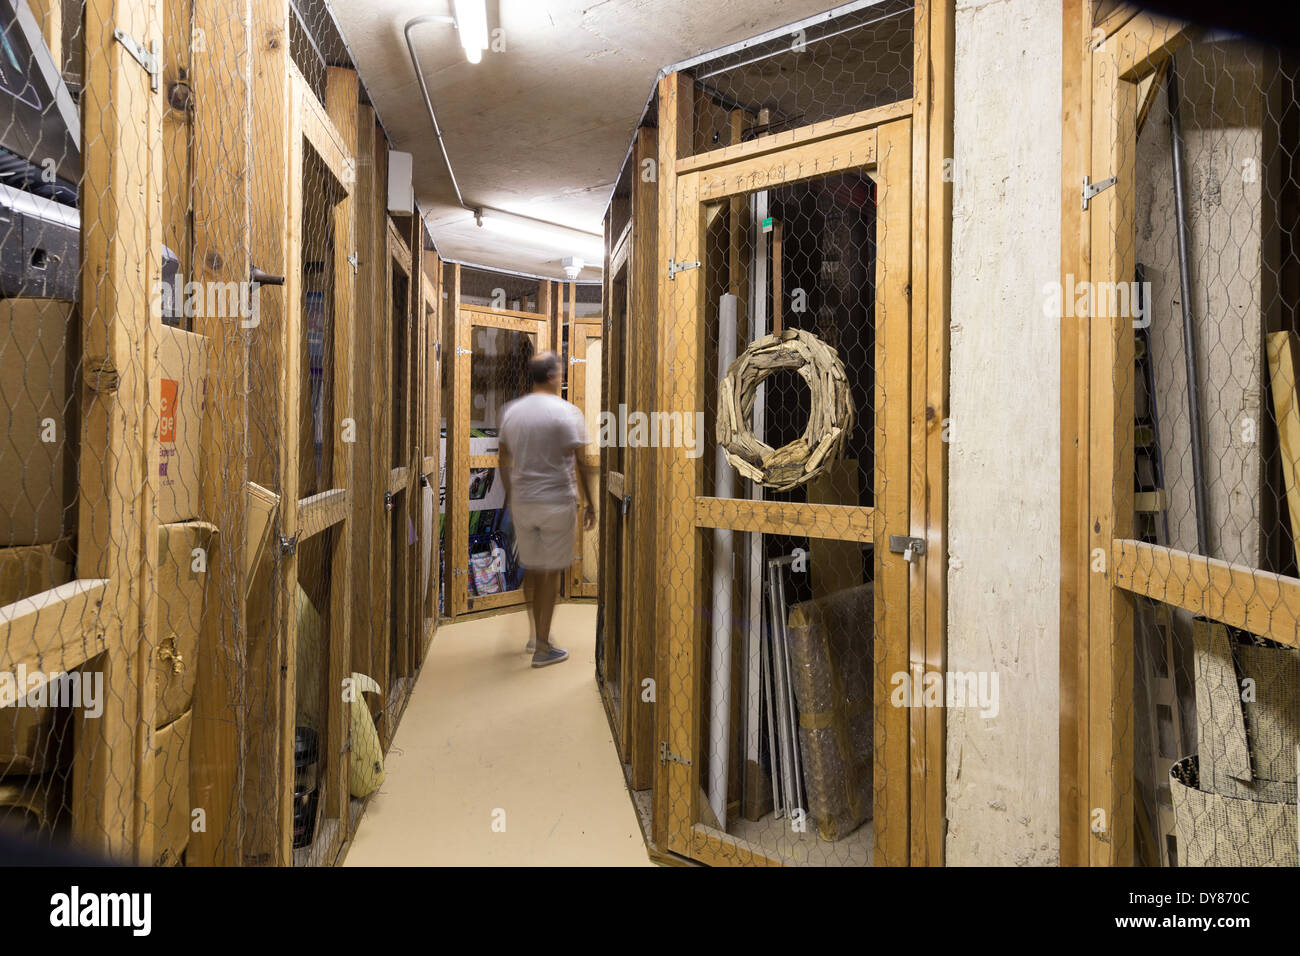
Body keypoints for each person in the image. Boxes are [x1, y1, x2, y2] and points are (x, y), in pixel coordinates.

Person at [498, 350, 597, 667]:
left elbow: (503, 459)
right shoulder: (567, 412)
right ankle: (543, 647)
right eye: (561, 371)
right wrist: (591, 503)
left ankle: (533, 636)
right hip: (556, 502)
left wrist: (513, 496)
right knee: (551, 572)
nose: (563, 376)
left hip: (523, 502)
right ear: (554, 375)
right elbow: (580, 462)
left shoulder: (511, 412)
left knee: (531, 567)